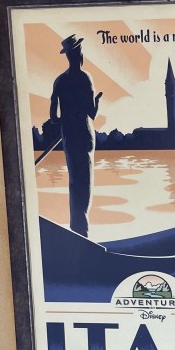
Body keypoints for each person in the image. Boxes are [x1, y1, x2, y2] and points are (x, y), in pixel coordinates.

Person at [50, 34, 103, 237]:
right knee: (85, 182)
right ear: (79, 54)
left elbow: (53, 118)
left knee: (74, 181)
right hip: (84, 134)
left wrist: (66, 120)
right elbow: (92, 113)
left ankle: (76, 228)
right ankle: (83, 231)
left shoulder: (60, 81)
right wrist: (97, 102)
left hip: (69, 135)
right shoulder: (84, 78)